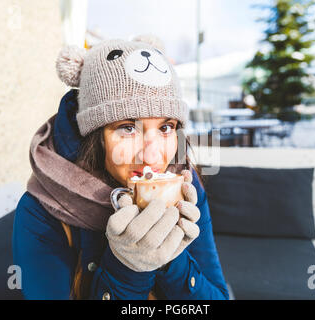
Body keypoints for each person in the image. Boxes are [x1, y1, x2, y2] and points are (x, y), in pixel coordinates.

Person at [12, 34, 230, 300]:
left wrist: (171, 258)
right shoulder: (42, 210)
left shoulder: (186, 184)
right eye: (128, 128)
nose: (152, 156)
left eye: (166, 127)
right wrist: (129, 266)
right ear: (95, 137)